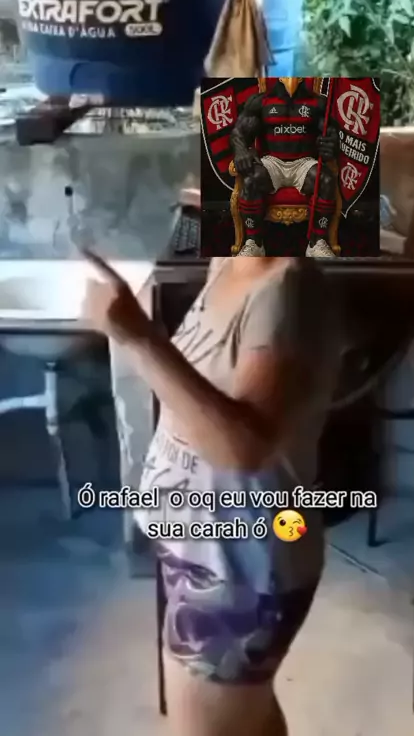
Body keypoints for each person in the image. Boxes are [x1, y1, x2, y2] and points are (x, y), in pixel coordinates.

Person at [82, 252, 344, 736]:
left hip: (238, 569)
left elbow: (242, 448)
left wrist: (139, 339)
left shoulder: (289, 288)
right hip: (206, 554)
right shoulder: (229, 263)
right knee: (247, 720)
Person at [231, 76, 339, 258]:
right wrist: (241, 150)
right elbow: (238, 133)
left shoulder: (318, 103)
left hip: (304, 162)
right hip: (273, 161)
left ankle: (317, 242)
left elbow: (332, 137)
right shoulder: (261, 102)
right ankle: (254, 243)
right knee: (250, 180)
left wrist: (330, 146)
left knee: (326, 180)